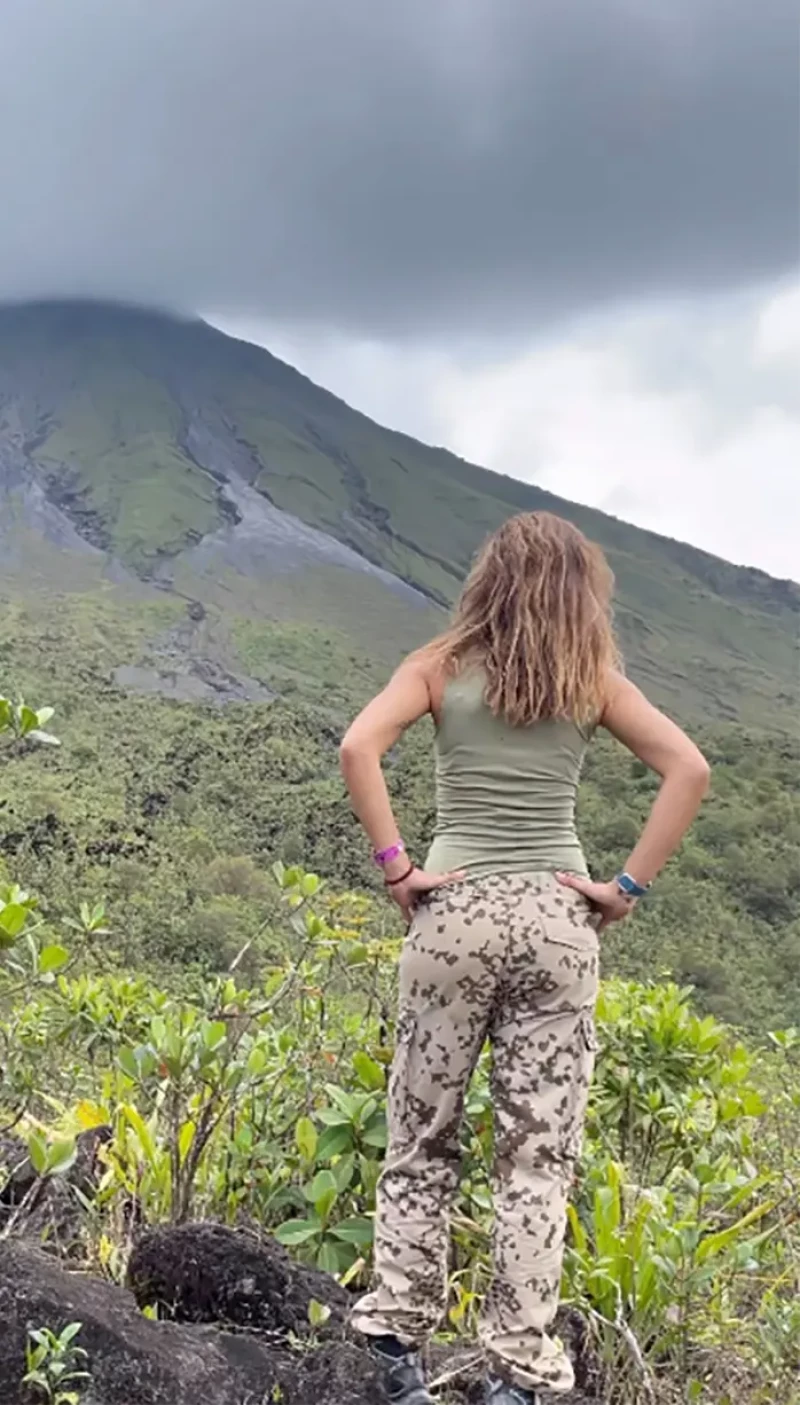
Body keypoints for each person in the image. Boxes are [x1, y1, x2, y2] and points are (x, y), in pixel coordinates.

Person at [339, 511, 710, 1405]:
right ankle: (515, 1365)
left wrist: (399, 868)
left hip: (453, 915)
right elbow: (688, 768)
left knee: (424, 1134)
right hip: (555, 922)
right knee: (537, 1156)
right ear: (580, 588)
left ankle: (398, 1344)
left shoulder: (436, 666)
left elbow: (358, 746)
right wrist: (626, 888)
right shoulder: (592, 680)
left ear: (488, 578)